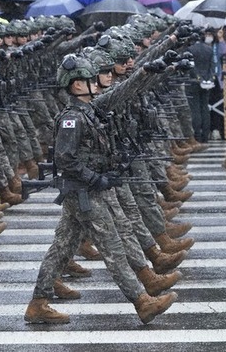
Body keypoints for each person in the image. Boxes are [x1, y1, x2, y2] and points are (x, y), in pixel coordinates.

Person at [24, 54, 177, 325]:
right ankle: (142, 301)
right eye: (90, 80)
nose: (96, 83)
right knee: (112, 247)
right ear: (77, 85)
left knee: (62, 248)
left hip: (84, 192)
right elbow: (65, 159)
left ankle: (38, 304)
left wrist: (144, 73)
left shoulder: (89, 110)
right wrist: (95, 178)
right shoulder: (73, 118)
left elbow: (120, 92)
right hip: (83, 192)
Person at [185, 28, 215, 143]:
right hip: (207, 82)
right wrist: (209, 79)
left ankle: (197, 134)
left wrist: (199, 78)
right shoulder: (209, 49)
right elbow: (212, 66)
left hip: (193, 82)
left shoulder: (190, 49)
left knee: (195, 109)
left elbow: (191, 67)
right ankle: (205, 135)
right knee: (205, 107)